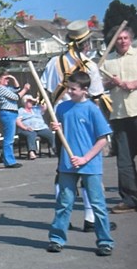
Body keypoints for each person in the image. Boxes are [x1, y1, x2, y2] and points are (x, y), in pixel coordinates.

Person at [41, 20, 108, 232]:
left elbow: (44, 92)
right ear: (85, 43)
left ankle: (64, 218)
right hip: (83, 126)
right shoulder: (90, 66)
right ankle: (90, 218)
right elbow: (97, 98)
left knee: (62, 171)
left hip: (59, 124)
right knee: (87, 171)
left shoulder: (53, 63)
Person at [46, 71, 115, 256]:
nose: (69, 91)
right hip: (67, 164)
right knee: (64, 202)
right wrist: (56, 128)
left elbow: (103, 139)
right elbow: (61, 129)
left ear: (85, 90)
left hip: (89, 164)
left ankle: (105, 241)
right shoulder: (62, 108)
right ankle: (56, 239)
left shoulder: (92, 109)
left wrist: (85, 158)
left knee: (97, 204)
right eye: (68, 88)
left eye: (73, 89)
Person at [102, 25, 137, 213]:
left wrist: (133, 83)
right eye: (119, 38)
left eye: (125, 38)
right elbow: (100, 86)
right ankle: (131, 199)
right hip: (119, 115)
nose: (122, 41)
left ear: (130, 39)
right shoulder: (108, 62)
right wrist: (110, 83)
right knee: (124, 160)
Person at [0, 69, 31, 168]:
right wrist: (25, 89)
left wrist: (13, 78)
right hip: (7, 113)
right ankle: (9, 161)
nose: (8, 80)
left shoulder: (6, 88)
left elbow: (17, 88)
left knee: (10, 138)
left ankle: (9, 159)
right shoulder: (0, 88)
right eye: (5, 78)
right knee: (9, 139)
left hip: (12, 113)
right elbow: (16, 97)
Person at [16, 95, 56, 160]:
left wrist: (37, 100)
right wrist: (25, 128)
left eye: (31, 101)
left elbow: (45, 106)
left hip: (40, 128)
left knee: (50, 134)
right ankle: (31, 152)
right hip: (27, 129)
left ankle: (55, 149)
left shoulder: (36, 108)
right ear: (25, 102)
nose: (31, 103)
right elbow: (18, 122)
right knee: (31, 134)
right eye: (29, 101)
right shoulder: (21, 110)